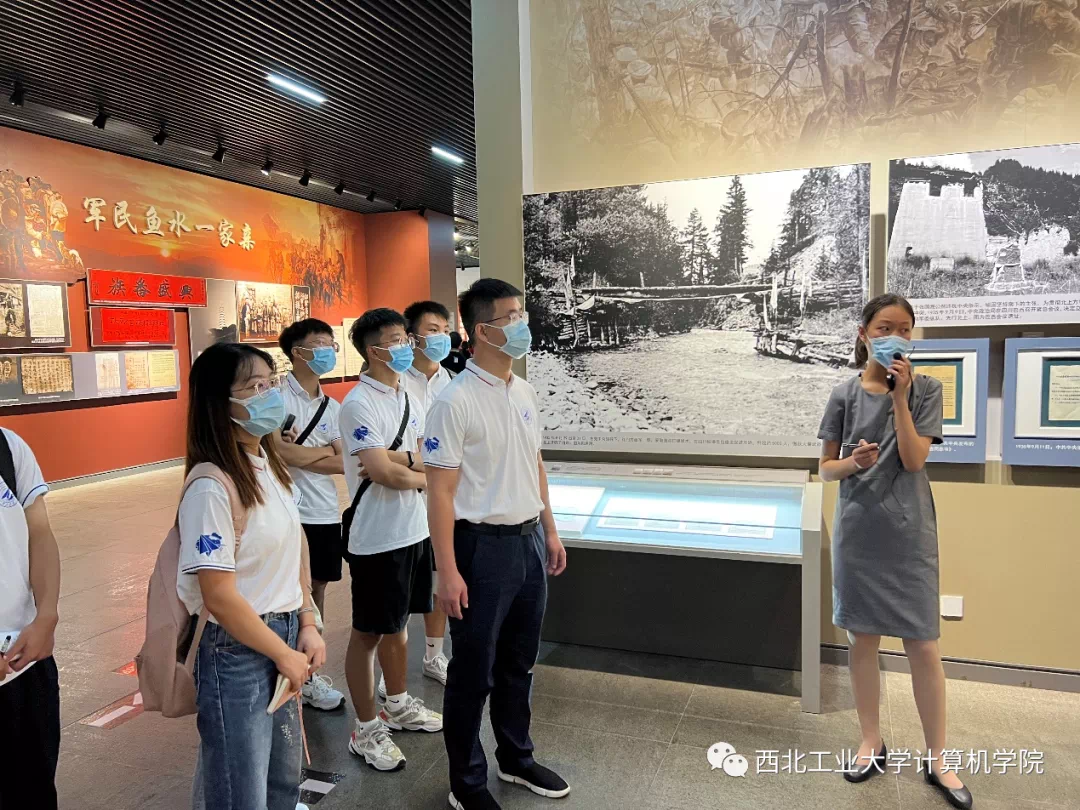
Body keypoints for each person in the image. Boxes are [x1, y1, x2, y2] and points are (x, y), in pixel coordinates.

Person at [818, 294, 972, 810]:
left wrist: (900, 398)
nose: (896, 337)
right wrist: (854, 463)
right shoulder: (843, 394)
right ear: (863, 333)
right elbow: (826, 469)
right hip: (859, 532)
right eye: (885, 327)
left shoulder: (926, 389)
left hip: (909, 535)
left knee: (923, 645)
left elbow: (913, 460)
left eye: (905, 329)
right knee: (862, 639)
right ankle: (871, 741)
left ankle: (938, 758)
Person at [423, 279, 569, 810]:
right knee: (472, 673)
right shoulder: (454, 401)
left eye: (521, 314)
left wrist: (549, 529)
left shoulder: (522, 391)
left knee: (519, 662)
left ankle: (516, 757)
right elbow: (440, 492)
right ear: (482, 331)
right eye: (511, 317)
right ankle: (467, 783)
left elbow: (535, 464)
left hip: (527, 541)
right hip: (479, 549)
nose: (522, 324)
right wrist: (447, 570)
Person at [180, 342, 326, 810]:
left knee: (281, 782)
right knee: (240, 789)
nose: (270, 396)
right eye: (255, 387)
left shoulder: (269, 467)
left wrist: (307, 621)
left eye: (270, 384)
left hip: (283, 632)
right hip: (236, 651)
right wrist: (282, 652)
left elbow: (294, 549)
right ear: (219, 403)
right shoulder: (211, 486)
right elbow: (218, 596)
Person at [340, 308, 443, 773]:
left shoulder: (409, 395)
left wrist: (405, 464)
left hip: (414, 528)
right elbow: (381, 473)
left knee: (399, 625)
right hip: (377, 536)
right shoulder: (358, 403)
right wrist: (422, 475)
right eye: (395, 340)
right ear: (372, 350)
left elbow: (422, 455)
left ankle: (397, 704)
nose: (406, 346)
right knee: (367, 633)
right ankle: (365, 729)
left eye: (406, 338)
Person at [372, 300, 455, 701]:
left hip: (441, 496)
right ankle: (392, 670)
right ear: (413, 337)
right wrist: (414, 463)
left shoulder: (453, 382)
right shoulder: (396, 382)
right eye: (432, 330)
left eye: (445, 330)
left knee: (438, 578)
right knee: (401, 590)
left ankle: (434, 655)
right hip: (404, 497)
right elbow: (377, 455)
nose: (441, 338)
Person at [274, 318, 346, 712]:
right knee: (282, 592)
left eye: (330, 343)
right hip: (284, 509)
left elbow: (343, 461)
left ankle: (310, 675)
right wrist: (318, 454)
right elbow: (278, 453)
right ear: (297, 351)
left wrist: (300, 455)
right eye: (319, 343)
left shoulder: (332, 407)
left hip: (322, 510)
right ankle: (282, 669)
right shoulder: (276, 399)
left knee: (316, 591)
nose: (328, 350)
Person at [0, 428, 61, 810]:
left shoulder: (8, 447)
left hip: (25, 661)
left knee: (34, 791)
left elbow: (39, 532)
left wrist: (47, 615)